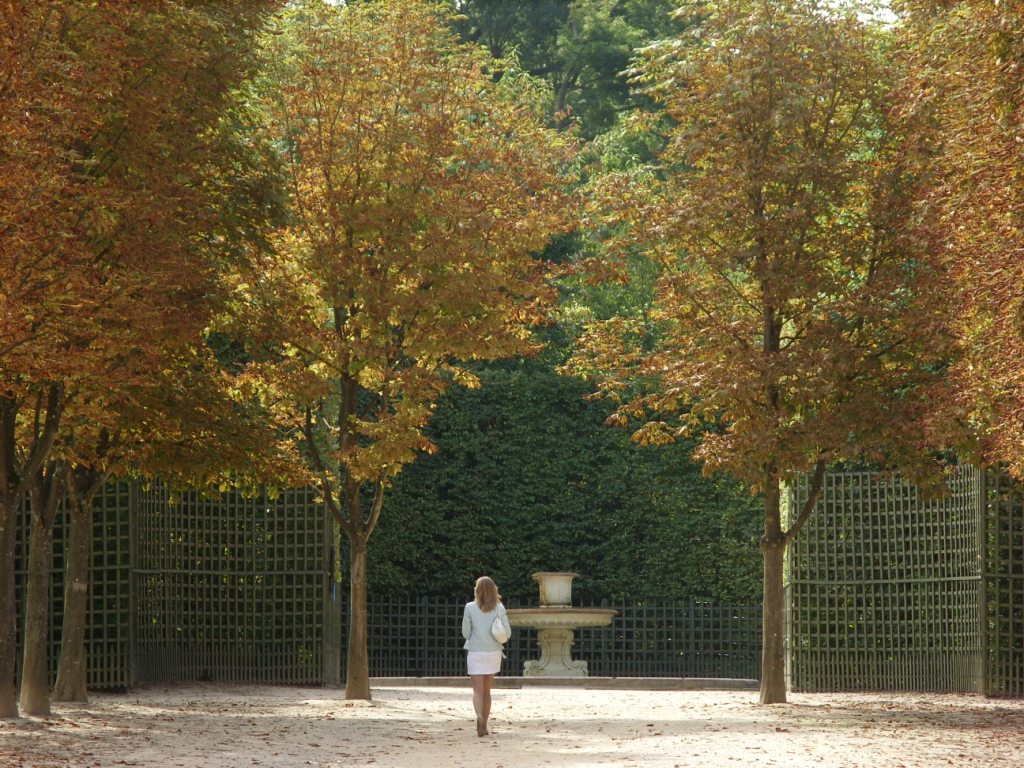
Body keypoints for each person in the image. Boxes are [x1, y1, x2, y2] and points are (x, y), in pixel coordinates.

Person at [462, 575, 510, 737]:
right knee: (487, 691)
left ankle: (479, 716)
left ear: (477, 590)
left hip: (475, 651)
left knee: (477, 691)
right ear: (493, 589)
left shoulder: (469, 607)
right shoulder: (499, 607)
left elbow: (465, 633)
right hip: (493, 652)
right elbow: (507, 633)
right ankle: (486, 725)